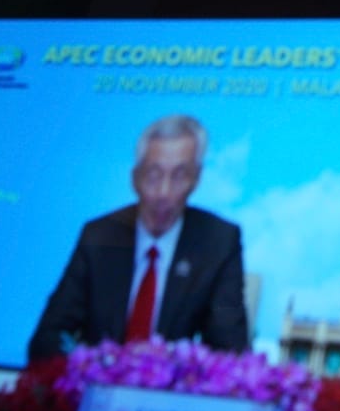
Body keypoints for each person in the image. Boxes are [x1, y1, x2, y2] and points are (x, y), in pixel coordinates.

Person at [26, 114, 249, 364]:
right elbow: (48, 337)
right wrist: (98, 364)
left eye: (179, 175)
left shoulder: (219, 242)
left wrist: (170, 363)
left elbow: (231, 350)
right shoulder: (99, 236)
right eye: (153, 174)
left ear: (196, 180)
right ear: (134, 177)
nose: (164, 192)